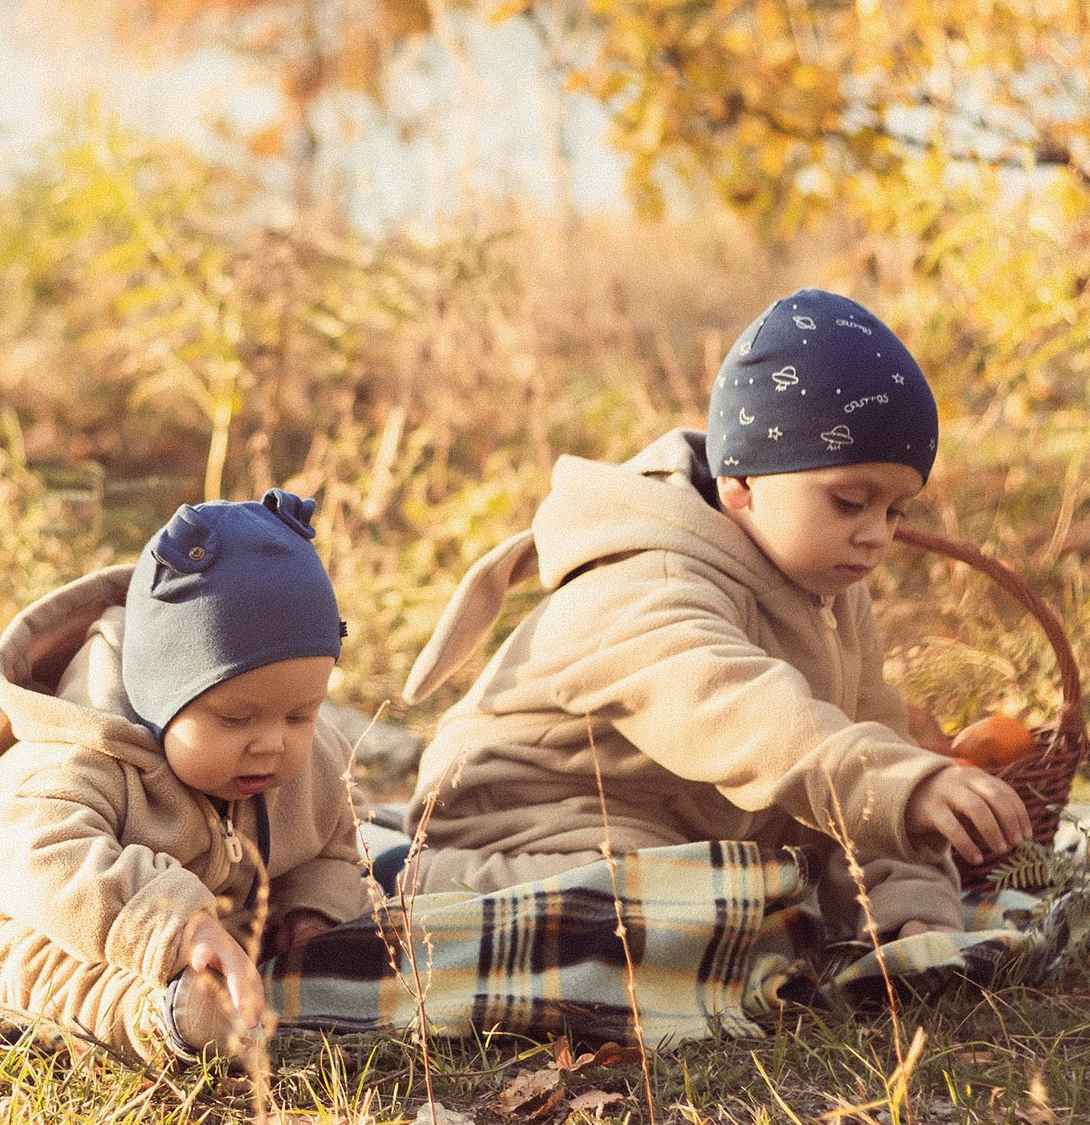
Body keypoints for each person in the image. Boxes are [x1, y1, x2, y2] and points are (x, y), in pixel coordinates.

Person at [398, 289, 1030, 944]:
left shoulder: (832, 582)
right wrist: (901, 784)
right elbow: (746, 717)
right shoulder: (644, 577)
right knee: (683, 906)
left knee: (767, 875)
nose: (876, 534)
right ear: (742, 482)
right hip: (525, 821)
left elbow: (866, 739)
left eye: (896, 510)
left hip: (679, 823)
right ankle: (415, 880)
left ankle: (754, 907)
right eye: (849, 501)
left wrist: (912, 901)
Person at [0, 489, 366, 1063]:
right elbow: (45, 854)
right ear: (157, 699)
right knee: (35, 967)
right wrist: (181, 927)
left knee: (338, 940)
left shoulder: (309, 758)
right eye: (236, 717)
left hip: (182, 931)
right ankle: (155, 1015)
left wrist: (311, 912)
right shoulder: (77, 755)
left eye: (301, 713)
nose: (273, 742)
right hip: (11, 922)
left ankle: (201, 988)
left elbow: (339, 842)